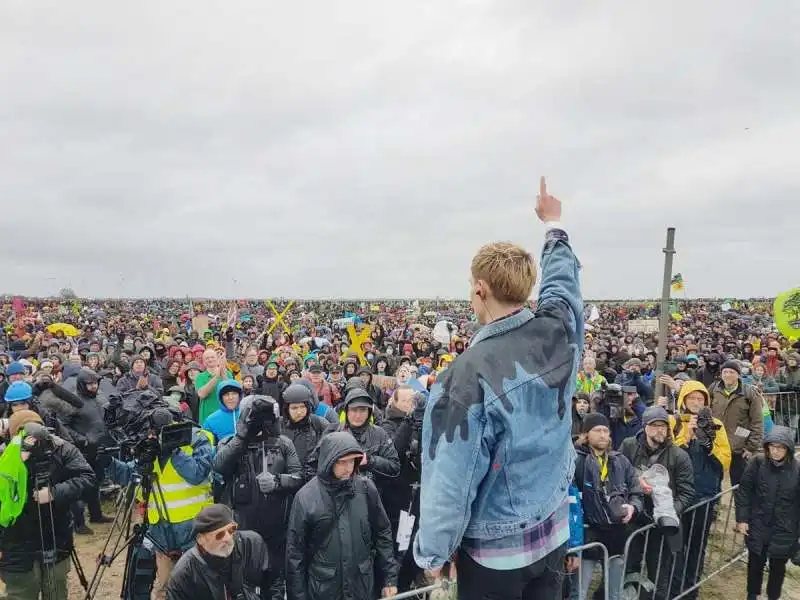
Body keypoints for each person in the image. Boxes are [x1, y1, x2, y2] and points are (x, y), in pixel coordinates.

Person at [414, 178, 583, 599]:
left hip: (496, 554)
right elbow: (563, 287)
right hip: (552, 528)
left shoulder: (462, 379)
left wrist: (433, 555)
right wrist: (554, 224)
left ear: (479, 289)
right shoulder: (559, 329)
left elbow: (451, 481)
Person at [104, 409, 214, 600]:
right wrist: (108, 463)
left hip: (194, 525)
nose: (154, 434)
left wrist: (173, 450)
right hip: (160, 529)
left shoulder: (197, 438)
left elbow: (197, 474)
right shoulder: (151, 444)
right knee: (164, 587)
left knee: (197, 586)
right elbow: (132, 474)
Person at [286, 431, 398, 600]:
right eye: (342, 462)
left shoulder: (366, 488)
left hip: (361, 586)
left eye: (352, 461)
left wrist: (390, 578)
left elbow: (382, 532)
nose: (348, 468)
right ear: (328, 461)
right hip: (324, 589)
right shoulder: (306, 497)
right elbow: (295, 554)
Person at [213, 395, 303, 600]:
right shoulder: (231, 442)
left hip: (276, 530)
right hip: (242, 528)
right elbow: (219, 467)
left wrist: (278, 481)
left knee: (275, 582)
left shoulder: (283, 444)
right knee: (243, 583)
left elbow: (299, 477)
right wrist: (242, 437)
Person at [0, 410, 96, 600]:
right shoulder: (6, 456)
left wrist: (55, 492)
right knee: (21, 592)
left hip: (55, 534)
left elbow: (87, 477)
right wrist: (18, 464)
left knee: (56, 590)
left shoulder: (61, 448)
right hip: (15, 542)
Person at [619, 407, 695, 600]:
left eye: (664, 426)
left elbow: (687, 492)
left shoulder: (679, 455)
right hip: (634, 519)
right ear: (645, 427)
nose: (660, 430)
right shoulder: (629, 446)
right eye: (655, 426)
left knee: (660, 572)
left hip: (663, 526)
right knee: (628, 567)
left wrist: (668, 512)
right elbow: (618, 477)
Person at [669, 381, 731, 599]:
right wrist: (687, 438)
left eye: (700, 398)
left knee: (697, 546)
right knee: (675, 546)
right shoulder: (673, 422)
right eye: (691, 398)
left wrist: (708, 445)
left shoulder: (717, 425)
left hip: (704, 496)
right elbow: (667, 456)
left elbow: (724, 460)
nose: (696, 402)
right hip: (677, 496)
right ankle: (672, 589)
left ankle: (690, 590)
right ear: (683, 400)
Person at [571, 413, 643, 600]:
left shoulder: (621, 461)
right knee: (579, 592)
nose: (603, 435)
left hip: (617, 535)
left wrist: (633, 507)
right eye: (597, 430)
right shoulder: (574, 461)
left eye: (606, 430)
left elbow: (636, 490)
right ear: (586, 434)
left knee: (614, 593)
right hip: (587, 535)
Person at [735, 426, 800, 600]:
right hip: (758, 524)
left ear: (788, 449)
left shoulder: (797, 470)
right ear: (767, 447)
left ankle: (773, 596)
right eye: (773, 447)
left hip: (785, 528)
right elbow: (744, 492)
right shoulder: (757, 463)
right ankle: (752, 595)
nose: (776, 451)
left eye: (781, 447)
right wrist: (742, 519)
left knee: (778, 568)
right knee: (755, 563)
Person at [166, 504, 270, 600]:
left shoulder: (252, 543)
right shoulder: (184, 574)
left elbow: (274, 584)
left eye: (231, 530)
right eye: (219, 534)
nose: (228, 538)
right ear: (201, 539)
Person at [708, 360, 763, 486]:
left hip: (739, 446)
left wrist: (751, 447)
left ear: (738, 374)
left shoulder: (749, 393)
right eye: (725, 372)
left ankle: (740, 505)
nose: (727, 375)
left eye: (731, 372)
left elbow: (757, 422)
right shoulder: (713, 389)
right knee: (713, 481)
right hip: (716, 445)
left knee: (740, 484)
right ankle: (715, 505)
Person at [280, 382, 329, 469]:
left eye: (302, 407)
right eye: (294, 408)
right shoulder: (279, 426)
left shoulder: (318, 423)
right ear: (287, 409)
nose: (299, 412)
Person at [196, 348, 234, 424]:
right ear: (203, 362)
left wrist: (222, 373)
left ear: (217, 359)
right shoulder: (200, 376)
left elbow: (231, 393)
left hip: (225, 418)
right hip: (207, 420)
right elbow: (202, 394)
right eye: (207, 358)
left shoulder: (228, 374)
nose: (210, 360)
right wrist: (217, 376)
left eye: (212, 357)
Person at [202, 379, 243, 444]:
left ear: (239, 396)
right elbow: (205, 449)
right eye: (226, 394)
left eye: (234, 393)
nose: (231, 397)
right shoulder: (210, 421)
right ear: (220, 398)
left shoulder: (250, 414)